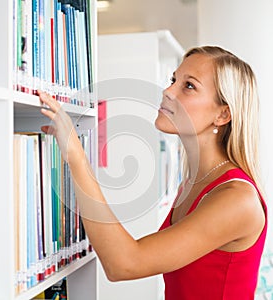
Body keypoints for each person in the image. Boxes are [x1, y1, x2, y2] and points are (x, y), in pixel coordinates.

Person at [39, 45, 267, 299]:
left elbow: (124, 264)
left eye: (189, 86)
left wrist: (75, 155)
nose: (168, 91)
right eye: (173, 80)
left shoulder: (236, 199)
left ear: (223, 114)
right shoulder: (194, 183)